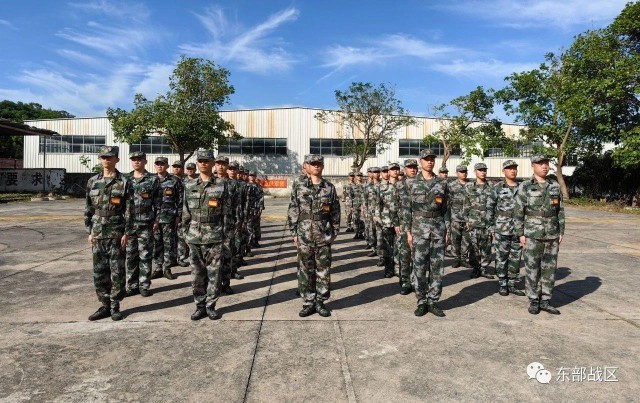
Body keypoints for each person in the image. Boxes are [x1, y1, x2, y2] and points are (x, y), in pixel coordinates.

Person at [85, 146, 134, 321]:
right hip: (98, 232)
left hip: (116, 232)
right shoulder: (93, 181)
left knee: (117, 271)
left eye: (109, 157)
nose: (106, 160)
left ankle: (115, 306)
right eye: (103, 157)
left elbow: (129, 210)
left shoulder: (124, 182)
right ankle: (104, 305)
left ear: (116, 159)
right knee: (99, 271)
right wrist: (89, 231)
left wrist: (127, 232)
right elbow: (88, 208)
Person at [287, 154, 340, 317]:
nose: (316, 166)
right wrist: (293, 232)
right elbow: (293, 208)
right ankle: (308, 302)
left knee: (323, 270)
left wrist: (334, 232)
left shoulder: (329, 187)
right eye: (313, 163)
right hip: (304, 235)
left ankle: (320, 302)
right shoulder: (299, 185)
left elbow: (335, 211)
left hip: (323, 235)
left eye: (319, 163)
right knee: (305, 269)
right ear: (307, 166)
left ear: (322, 166)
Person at [182, 149, 231, 320]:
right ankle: (199, 305)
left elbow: (227, 212)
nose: (203, 163)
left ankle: (210, 306)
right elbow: (185, 212)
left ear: (212, 163)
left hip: (215, 235)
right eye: (200, 160)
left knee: (214, 273)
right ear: (197, 163)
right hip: (194, 235)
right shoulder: (189, 185)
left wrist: (225, 235)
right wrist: (185, 234)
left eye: (207, 160)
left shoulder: (221, 185)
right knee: (197, 274)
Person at [514, 156, 565, 315]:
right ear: (533, 166)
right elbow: (518, 211)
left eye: (546, 164)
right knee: (532, 268)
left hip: (551, 234)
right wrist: (520, 233)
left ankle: (545, 300)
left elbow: (560, 210)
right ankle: (534, 300)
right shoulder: (525, 186)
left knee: (549, 269)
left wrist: (561, 230)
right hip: (532, 234)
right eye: (541, 164)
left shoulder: (554, 186)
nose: (544, 166)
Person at [401, 149, 449, 317]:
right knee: (419, 267)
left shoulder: (442, 183)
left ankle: (433, 301)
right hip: (419, 230)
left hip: (438, 229)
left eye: (432, 159)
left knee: (437, 267)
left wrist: (447, 230)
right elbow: (406, 209)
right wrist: (408, 232)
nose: (430, 161)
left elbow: (446, 209)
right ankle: (421, 301)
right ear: (420, 161)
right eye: (426, 159)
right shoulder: (410, 183)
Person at [125, 151, 161, 298]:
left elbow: (158, 202)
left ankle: (144, 285)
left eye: (139, 159)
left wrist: (157, 220)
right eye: (134, 159)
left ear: (145, 161)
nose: (136, 162)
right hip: (129, 224)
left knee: (145, 255)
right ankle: (132, 285)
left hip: (146, 223)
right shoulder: (125, 179)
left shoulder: (153, 179)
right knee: (130, 255)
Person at [487, 160, 525, 297]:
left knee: (516, 257)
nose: (512, 171)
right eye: (509, 168)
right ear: (504, 171)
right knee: (501, 256)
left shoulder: (522, 188)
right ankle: (502, 283)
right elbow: (489, 208)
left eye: (514, 168)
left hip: (518, 229)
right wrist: (491, 228)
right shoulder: (497, 188)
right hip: (501, 228)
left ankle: (512, 283)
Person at [462, 162, 495, 279]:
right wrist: (466, 219)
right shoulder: (469, 187)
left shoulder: (491, 187)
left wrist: (493, 223)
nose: (483, 172)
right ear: (475, 172)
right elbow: (466, 204)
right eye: (480, 170)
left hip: (487, 223)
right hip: (473, 222)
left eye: (484, 170)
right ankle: (476, 268)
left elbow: (495, 205)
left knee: (486, 247)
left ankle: (484, 269)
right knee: (473, 247)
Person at [394, 159, 418, 295]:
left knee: (417, 255)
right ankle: (405, 282)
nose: (413, 169)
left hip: (419, 224)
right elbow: (394, 205)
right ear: (405, 170)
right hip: (403, 224)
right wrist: (396, 223)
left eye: (414, 167)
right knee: (404, 254)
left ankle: (415, 282)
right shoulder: (399, 185)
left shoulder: (422, 183)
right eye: (410, 167)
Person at [214, 155, 237, 295]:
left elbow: (237, 205)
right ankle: (214, 285)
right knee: (214, 258)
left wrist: (237, 222)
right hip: (212, 226)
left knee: (227, 255)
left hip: (228, 225)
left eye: (223, 164)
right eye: (218, 164)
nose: (221, 166)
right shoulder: (210, 182)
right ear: (215, 165)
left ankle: (226, 283)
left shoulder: (233, 184)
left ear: (227, 166)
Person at [448, 165, 470, 268]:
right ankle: (456, 259)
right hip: (455, 217)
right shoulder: (451, 185)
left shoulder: (471, 185)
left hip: (468, 218)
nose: (464, 173)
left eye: (465, 171)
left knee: (466, 240)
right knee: (455, 239)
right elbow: (448, 201)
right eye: (461, 172)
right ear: (457, 173)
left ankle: (464, 259)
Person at [351, 172, 366, 240]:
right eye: (358, 176)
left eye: (360, 176)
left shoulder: (365, 185)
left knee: (363, 220)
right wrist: (351, 206)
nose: (359, 177)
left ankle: (361, 233)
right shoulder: (353, 186)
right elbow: (351, 196)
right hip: (355, 205)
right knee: (355, 219)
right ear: (356, 177)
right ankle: (357, 233)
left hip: (363, 205)